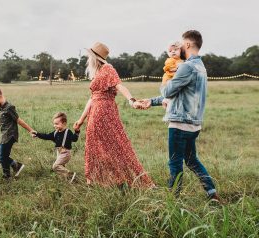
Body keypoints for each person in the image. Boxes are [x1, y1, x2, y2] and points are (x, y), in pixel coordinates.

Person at [138, 30, 220, 201]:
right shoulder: (200, 67)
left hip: (180, 123)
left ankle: (172, 200)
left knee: (175, 162)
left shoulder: (186, 66)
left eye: (182, 44)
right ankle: (212, 193)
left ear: (188, 45)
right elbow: (179, 94)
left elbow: (168, 90)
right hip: (194, 124)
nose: (180, 47)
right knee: (191, 161)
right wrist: (152, 101)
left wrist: (165, 80)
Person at [73, 42, 155, 188]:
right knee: (94, 146)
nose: (87, 59)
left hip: (104, 111)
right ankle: (98, 180)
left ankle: (120, 179)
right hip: (95, 111)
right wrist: (80, 120)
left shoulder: (107, 68)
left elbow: (119, 85)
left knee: (116, 145)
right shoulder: (98, 72)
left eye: (89, 56)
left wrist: (131, 100)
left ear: (94, 57)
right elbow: (92, 98)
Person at [0, 85, 35, 179]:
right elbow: (6, 120)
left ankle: (7, 177)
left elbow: (18, 120)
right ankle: (16, 165)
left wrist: (31, 130)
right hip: (4, 136)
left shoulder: (9, 107)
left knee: (2, 157)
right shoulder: (2, 107)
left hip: (9, 136)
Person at [32, 112, 79, 183]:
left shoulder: (67, 132)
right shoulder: (55, 133)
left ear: (64, 123)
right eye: (54, 124)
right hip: (59, 152)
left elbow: (74, 139)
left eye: (57, 124)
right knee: (61, 166)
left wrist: (76, 132)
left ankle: (71, 175)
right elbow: (47, 136)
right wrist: (37, 134)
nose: (55, 125)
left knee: (56, 166)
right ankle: (68, 180)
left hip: (65, 153)